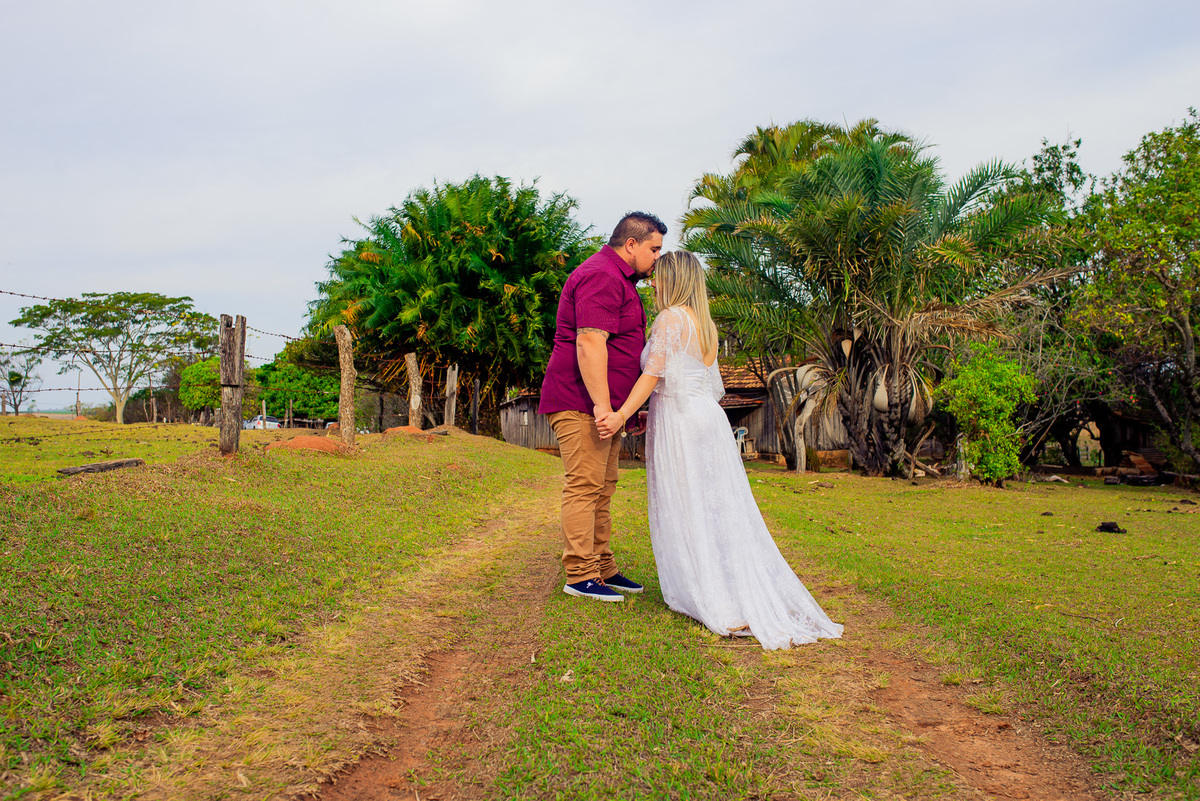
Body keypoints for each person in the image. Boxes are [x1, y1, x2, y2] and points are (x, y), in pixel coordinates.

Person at [595, 251, 843, 648]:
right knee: (715, 504)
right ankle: (723, 584)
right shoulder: (703, 323)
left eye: (659, 276)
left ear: (674, 279)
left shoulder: (670, 318)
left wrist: (622, 414)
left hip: (681, 421)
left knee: (687, 502)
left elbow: (653, 374)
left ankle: (709, 592)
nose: (653, 283)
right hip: (707, 418)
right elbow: (710, 385)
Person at [539, 211, 667, 602]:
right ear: (631, 244)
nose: (657, 258)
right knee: (584, 486)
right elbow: (589, 343)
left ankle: (602, 567)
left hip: (606, 406)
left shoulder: (621, 280)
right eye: (654, 249)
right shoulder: (601, 275)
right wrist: (601, 406)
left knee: (604, 487)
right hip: (581, 402)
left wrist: (628, 408)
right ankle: (579, 574)